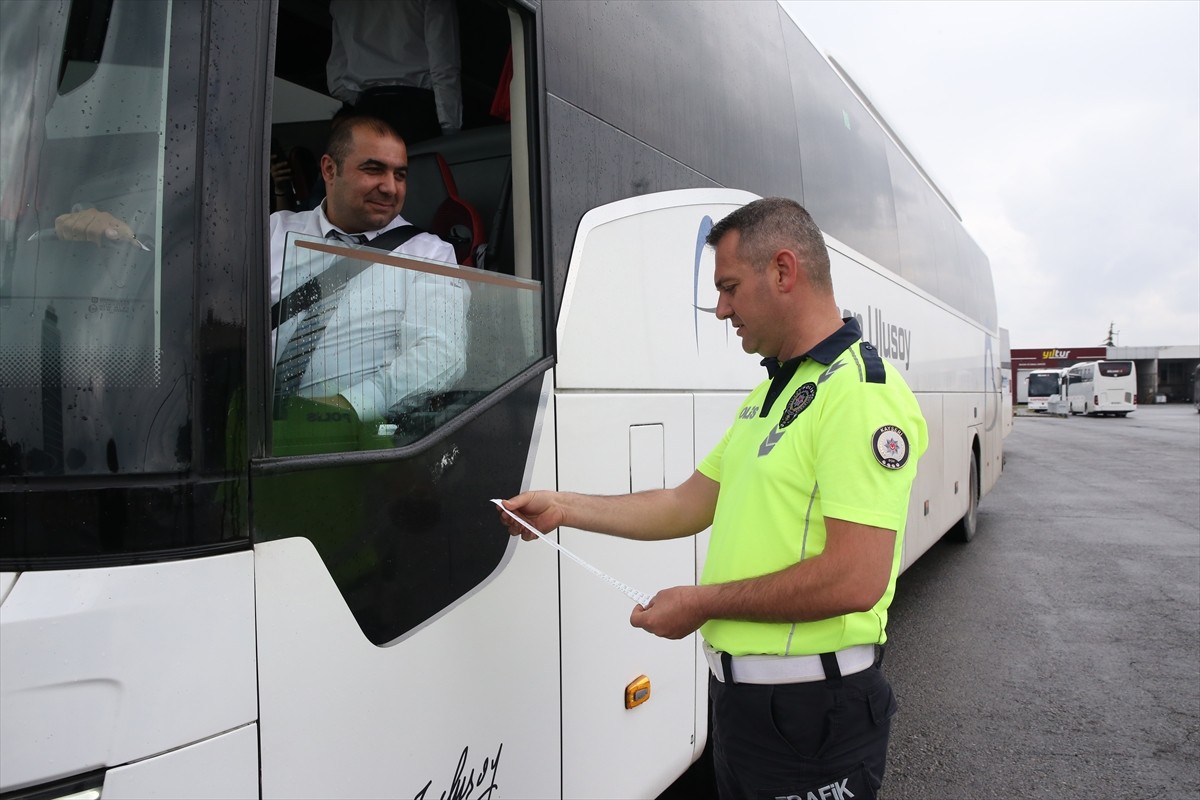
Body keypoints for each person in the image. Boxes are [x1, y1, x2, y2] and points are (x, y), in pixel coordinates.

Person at [498, 197, 928, 799]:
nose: (721, 309)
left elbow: (855, 578)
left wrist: (701, 602)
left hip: (813, 713)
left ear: (783, 271)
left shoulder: (859, 394)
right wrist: (565, 508)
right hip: (744, 706)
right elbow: (684, 503)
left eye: (729, 287)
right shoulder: (775, 392)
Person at [269, 112, 468, 422]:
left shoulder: (429, 253)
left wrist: (348, 407)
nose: (390, 187)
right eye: (374, 170)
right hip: (245, 424)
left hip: (354, 440)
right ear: (329, 169)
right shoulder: (274, 232)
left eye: (400, 175)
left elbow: (441, 354)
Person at [326, 0, 462, 145]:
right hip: (416, 113)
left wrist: (365, 102)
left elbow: (336, 81)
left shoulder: (340, 3)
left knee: (371, 167)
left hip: (367, 109)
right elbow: (443, 65)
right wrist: (450, 128)